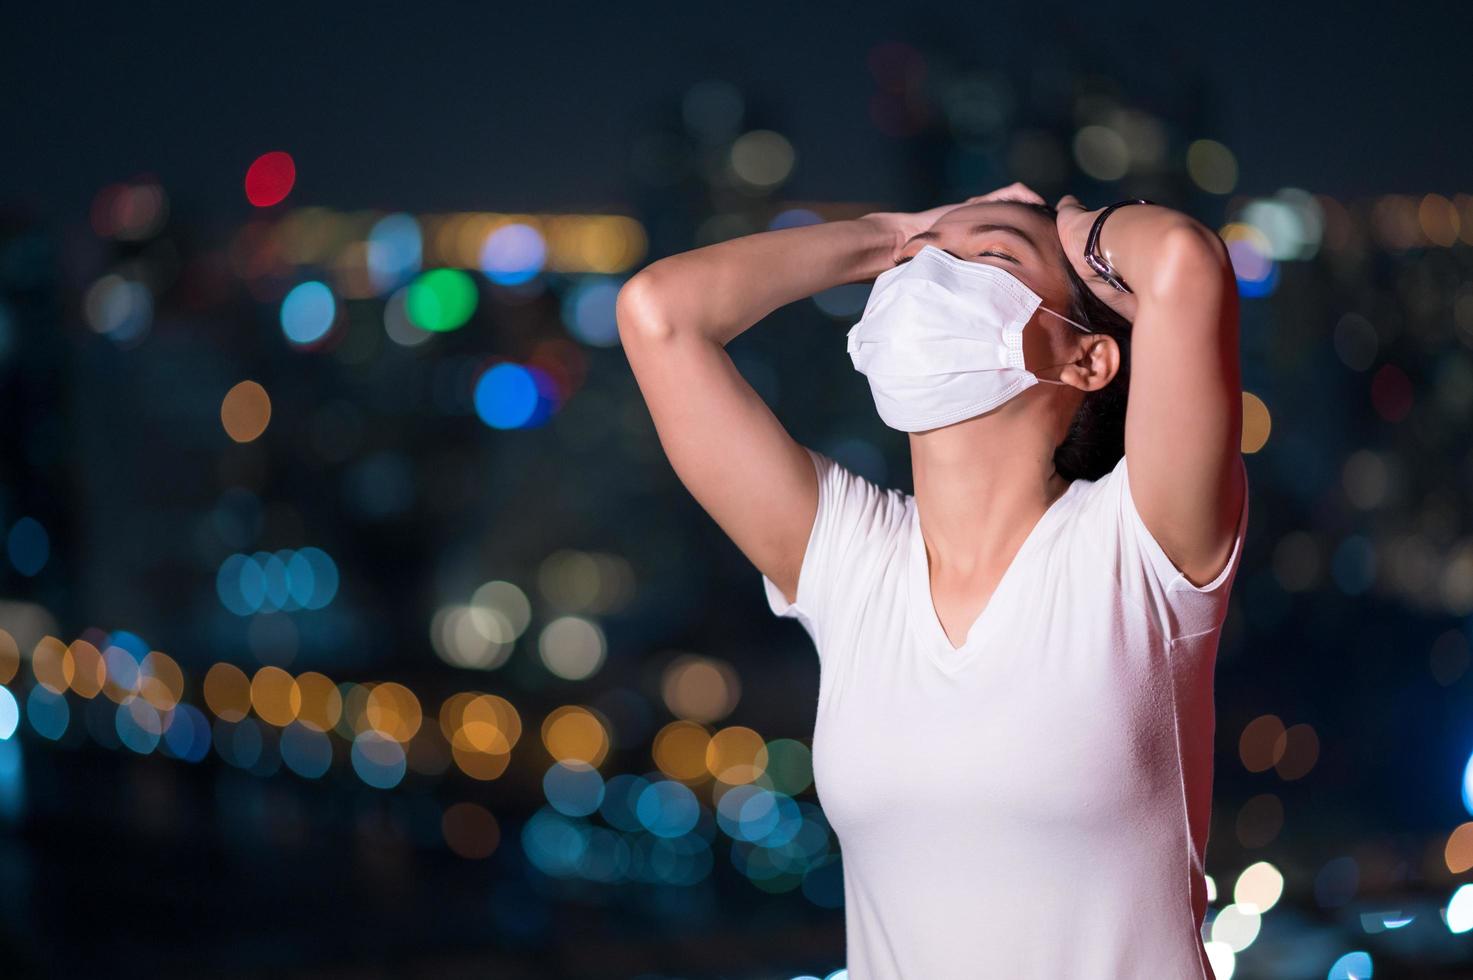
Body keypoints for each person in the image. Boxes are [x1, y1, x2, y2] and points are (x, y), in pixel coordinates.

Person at [615, 181, 1249, 979]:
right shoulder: (853, 563)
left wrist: (1072, 225)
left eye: (988, 257)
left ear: (1086, 357)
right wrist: (889, 232)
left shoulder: (1135, 547)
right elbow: (659, 312)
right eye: (919, 264)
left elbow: (1184, 262)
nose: (929, 278)